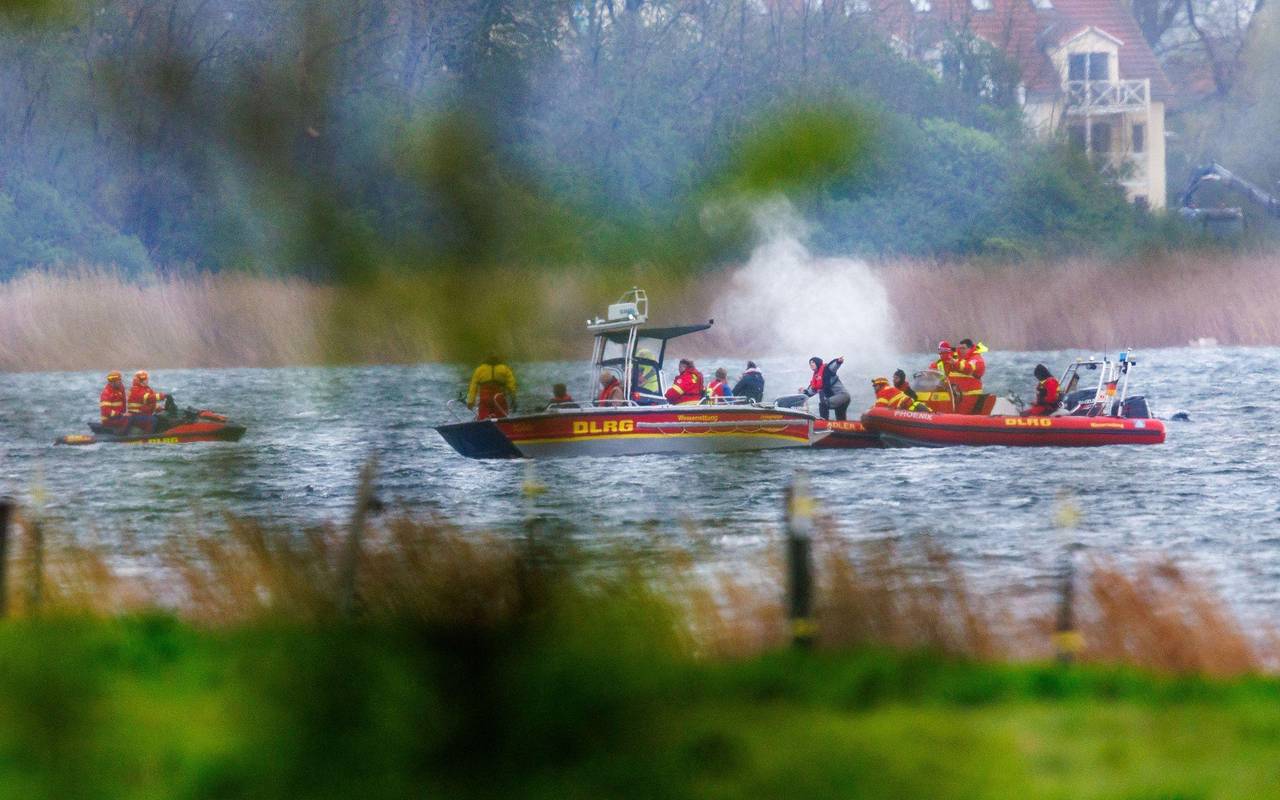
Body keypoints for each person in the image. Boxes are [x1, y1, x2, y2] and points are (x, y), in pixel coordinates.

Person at [467, 355, 517, 420]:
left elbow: (473, 386)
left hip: (485, 396)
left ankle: (484, 423)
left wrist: (470, 401)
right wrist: (513, 398)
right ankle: (503, 424)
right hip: (498, 396)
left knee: (483, 416)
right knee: (502, 416)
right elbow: (512, 385)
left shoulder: (480, 369)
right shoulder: (504, 368)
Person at [801, 356, 851, 421]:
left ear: (818, 363)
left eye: (813, 362)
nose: (811, 364)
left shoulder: (827, 370)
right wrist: (803, 393)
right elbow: (810, 392)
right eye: (810, 363)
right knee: (840, 420)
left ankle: (823, 422)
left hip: (842, 396)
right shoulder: (816, 380)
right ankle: (840, 426)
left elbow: (833, 366)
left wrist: (838, 361)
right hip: (836, 400)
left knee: (823, 404)